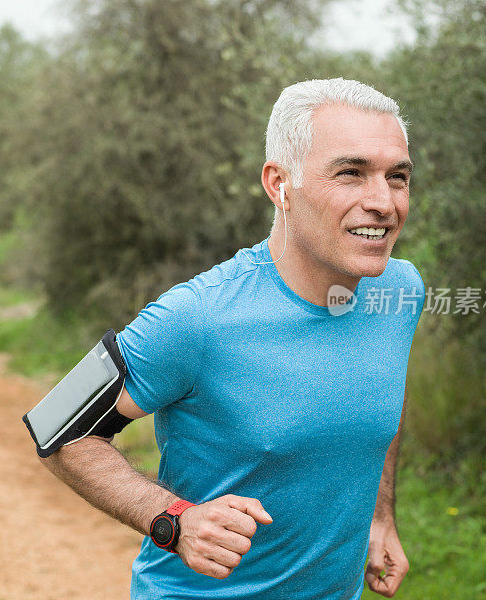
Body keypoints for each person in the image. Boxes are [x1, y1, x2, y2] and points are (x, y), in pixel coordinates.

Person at [41, 77, 424, 600]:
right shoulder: (196, 317)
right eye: (350, 174)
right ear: (279, 184)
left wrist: (380, 518)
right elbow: (57, 427)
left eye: (397, 177)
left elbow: (381, 398)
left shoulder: (399, 292)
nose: (383, 201)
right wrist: (174, 520)